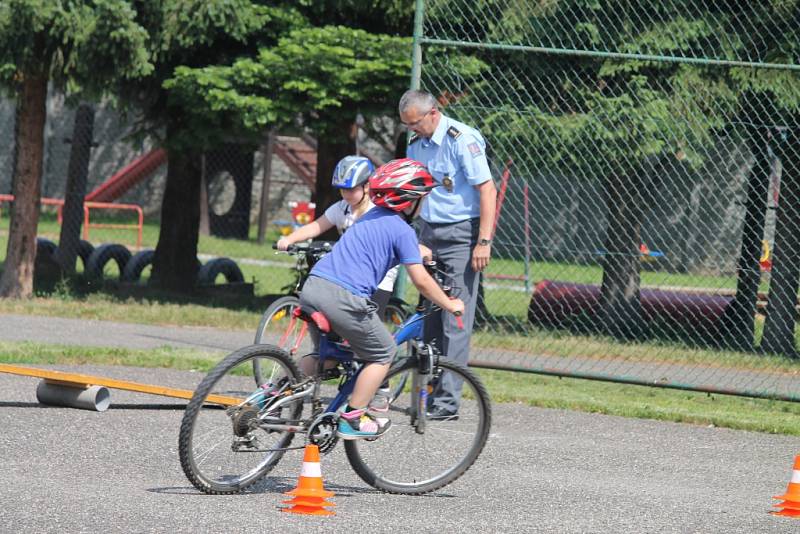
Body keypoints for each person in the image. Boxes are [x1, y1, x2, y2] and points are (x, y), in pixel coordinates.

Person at [298, 158, 465, 440]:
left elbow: (383, 246)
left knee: (333, 356)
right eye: (421, 199)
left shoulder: (369, 218)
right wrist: (450, 304)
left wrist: (415, 250)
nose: (422, 205)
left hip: (313, 288)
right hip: (345, 299)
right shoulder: (401, 229)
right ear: (408, 201)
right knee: (383, 352)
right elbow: (421, 280)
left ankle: (276, 391)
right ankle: (352, 418)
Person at [398, 89, 497, 418]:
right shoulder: (416, 145)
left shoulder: (461, 139)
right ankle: (429, 391)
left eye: (416, 123)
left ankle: (446, 403)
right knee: (430, 316)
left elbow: (486, 188)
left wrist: (483, 241)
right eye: (407, 126)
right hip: (428, 232)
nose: (413, 130)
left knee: (455, 316)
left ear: (433, 113)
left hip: (460, 235)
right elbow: (415, 192)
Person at [276, 155, 397, 315]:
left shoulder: (375, 213)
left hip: (378, 276)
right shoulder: (342, 207)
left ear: (367, 186)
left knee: (362, 329)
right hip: (352, 273)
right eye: (342, 190)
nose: (345, 195)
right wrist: (289, 239)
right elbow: (316, 226)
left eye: (351, 190)